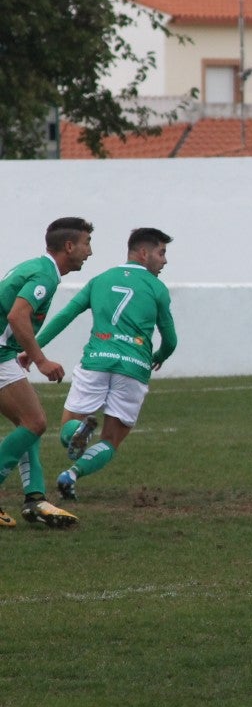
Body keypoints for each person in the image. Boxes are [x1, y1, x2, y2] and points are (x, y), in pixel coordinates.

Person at [22, 228, 178, 502]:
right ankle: (71, 474)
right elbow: (171, 340)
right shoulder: (157, 289)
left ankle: (78, 433)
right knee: (111, 439)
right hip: (133, 366)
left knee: (68, 429)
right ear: (143, 253)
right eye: (161, 253)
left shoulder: (100, 280)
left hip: (96, 360)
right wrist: (160, 356)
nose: (165, 261)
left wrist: (32, 350)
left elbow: (65, 316)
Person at [0, 217, 95, 528]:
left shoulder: (37, 268)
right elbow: (17, 315)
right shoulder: (45, 275)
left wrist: (24, 352)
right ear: (69, 246)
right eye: (86, 244)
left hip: (4, 353)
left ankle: (35, 499)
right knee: (35, 422)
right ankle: (35, 498)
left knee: (30, 423)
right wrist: (40, 359)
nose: (89, 252)